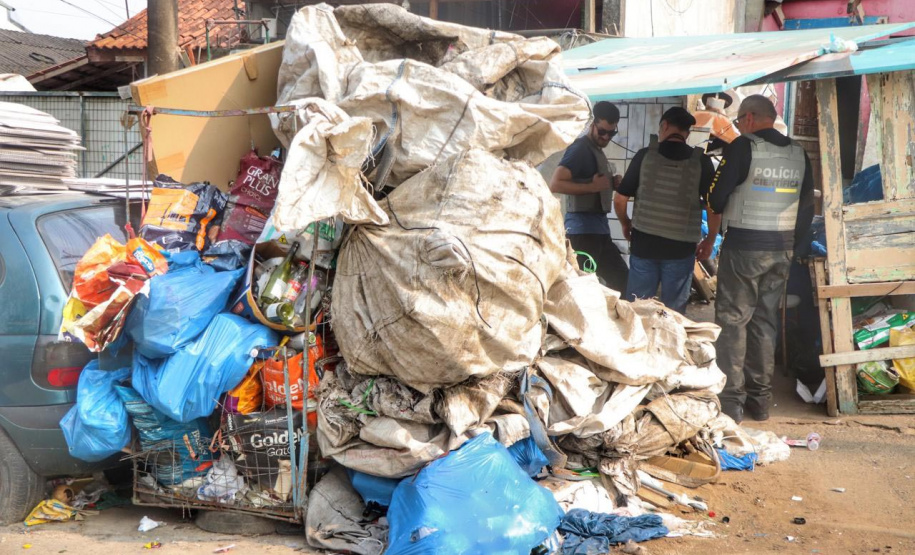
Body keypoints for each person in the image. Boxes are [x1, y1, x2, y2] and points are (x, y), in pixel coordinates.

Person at [708, 95, 815, 423]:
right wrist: (792, 248)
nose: (739, 126)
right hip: (780, 250)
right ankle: (761, 400)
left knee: (733, 321)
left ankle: (732, 402)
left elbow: (715, 197)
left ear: (751, 117)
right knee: (765, 321)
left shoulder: (743, 147)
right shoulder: (799, 153)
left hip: (744, 248)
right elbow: (807, 206)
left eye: (739, 120)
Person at [613, 107, 718, 315]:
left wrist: (625, 223)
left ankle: (639, 346)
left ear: (664, 126)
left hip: (644, 244)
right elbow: (713, 208)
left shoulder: (645, 156)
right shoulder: (702, 162)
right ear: (687, 133)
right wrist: (710, 240)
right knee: (674, 314)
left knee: (638, 311)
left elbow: (620, 198)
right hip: (680, 250)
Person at [550, 101, 629, 293]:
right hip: (582, 233)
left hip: (598, 231)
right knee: (582, 289)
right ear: (592, 123)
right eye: (602, 131)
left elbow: (596, 182)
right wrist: (592, 186)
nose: (606, 137)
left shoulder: (596, 150)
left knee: (624, 282)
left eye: (611, 133)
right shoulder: (580, 149)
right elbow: (556, 183)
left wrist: (612, 183)